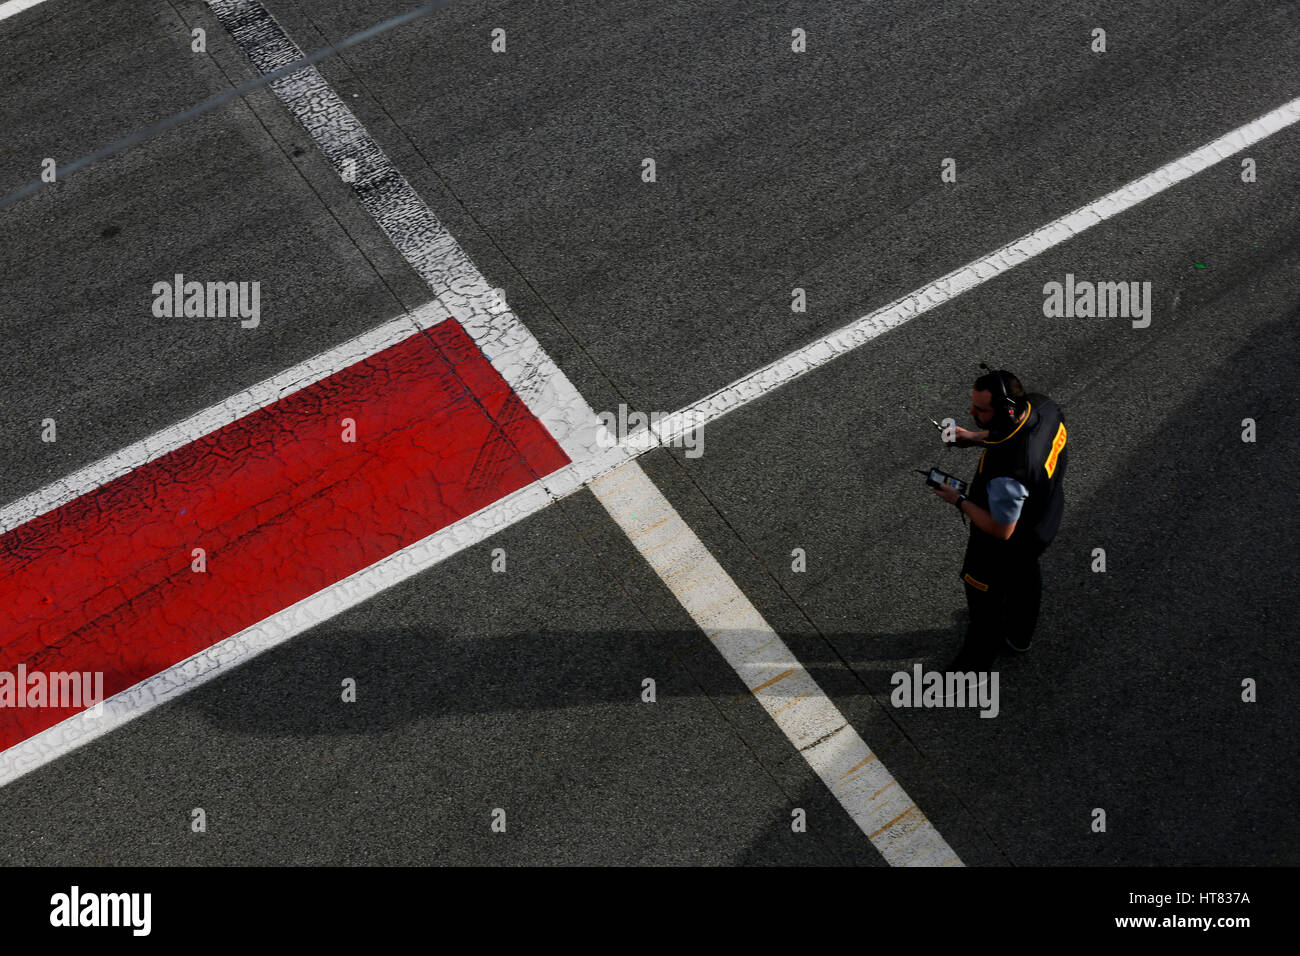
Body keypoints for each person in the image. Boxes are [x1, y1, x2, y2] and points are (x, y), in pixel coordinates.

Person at [930, 367, 1068, 671]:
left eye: (980, 409)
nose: (970, 412)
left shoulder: (1010, 474)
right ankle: (1019, 638)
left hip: (1006, 542)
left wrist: (959, 500)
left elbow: (1000, 530)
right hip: (1044, 516)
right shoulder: (1043, 407)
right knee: (1025, 578)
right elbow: (1012, 434)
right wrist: (975, 438)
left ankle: (970, 672)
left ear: (1005, 410)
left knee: (983, 610)